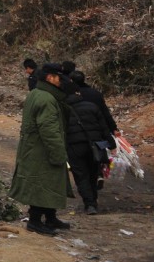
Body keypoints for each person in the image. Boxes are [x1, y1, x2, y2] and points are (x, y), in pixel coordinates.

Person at [9, 63, 75, 235]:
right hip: (42, 150)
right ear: (50, 77)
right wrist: (58, 153)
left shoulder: (36, 94)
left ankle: (50, 217)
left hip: (34, 148)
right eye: (60, 78)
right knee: (41, 184)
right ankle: (35, 221)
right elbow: (49, 130)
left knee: (48, 184)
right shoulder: (46, 99)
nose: (63, 82)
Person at [65, 87, 114, 215]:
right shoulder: (92, 107)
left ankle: (89, 203)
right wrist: (112, 144)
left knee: (81, 176)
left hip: (74, 146)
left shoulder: (63, 110)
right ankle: (94, 200)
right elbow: (104, 127)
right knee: (93, 173)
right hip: (94, 146)